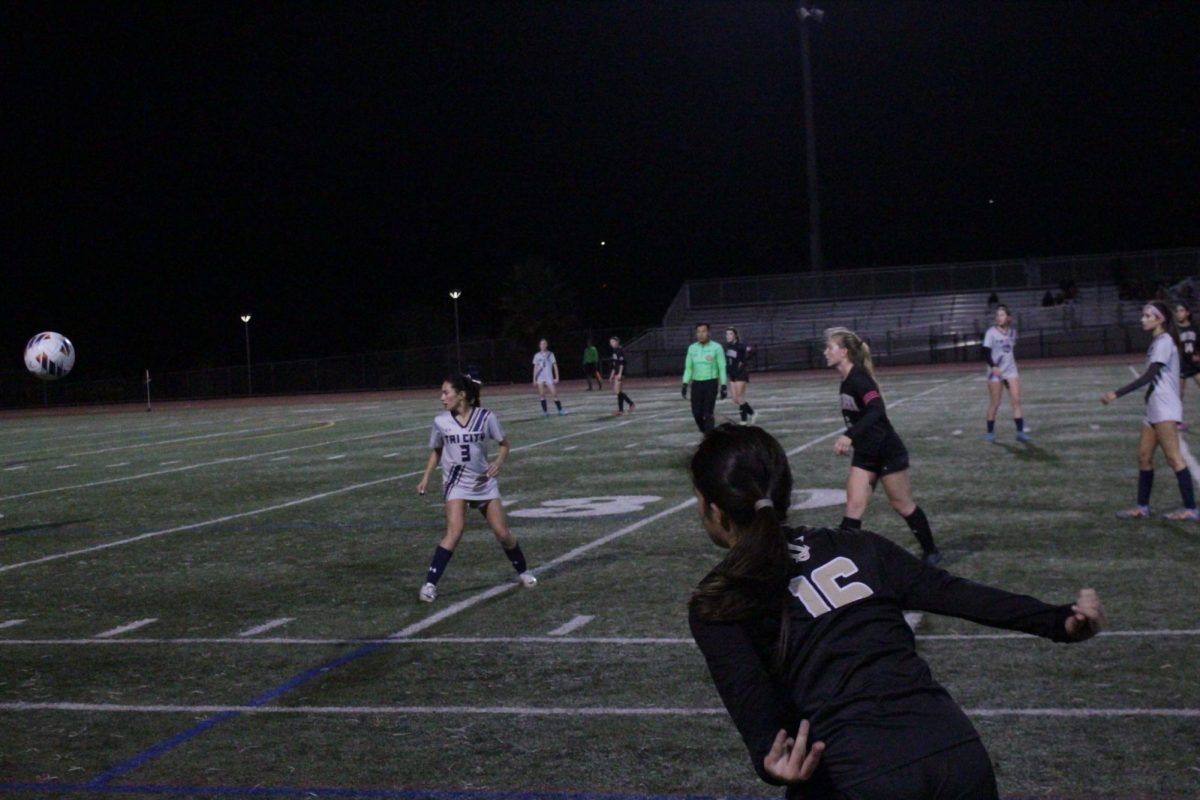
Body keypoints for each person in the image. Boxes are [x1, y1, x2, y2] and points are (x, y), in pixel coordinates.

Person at [688, 424, 1107, 800]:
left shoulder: (718, 597)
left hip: (856, 773)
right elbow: (955, 592)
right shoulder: (860, 547)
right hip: (954, 752)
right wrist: (1057, 621)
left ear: (714, 509)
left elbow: (750, 701)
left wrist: (769, 758)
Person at [415, 373, 538, 602]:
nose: (442, 397)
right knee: (455, 532)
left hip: (483, 482)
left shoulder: (486, 417)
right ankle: (429, 584)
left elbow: (504, 445)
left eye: (446, 393)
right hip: (455, 484)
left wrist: (498, 462)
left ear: (461, 395)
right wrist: (426, 478)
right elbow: (437, 451)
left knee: (502, 533)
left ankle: (523, 571)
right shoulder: (440, 421)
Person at [824, 327, 942, 565]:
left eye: (830, 348)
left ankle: (931, 551)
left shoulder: (859, 378)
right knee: (854, 506)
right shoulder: (846, 380)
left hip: (887, 451)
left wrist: (849, 435)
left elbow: (877, 409)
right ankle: (843, 558)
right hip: (866, 454)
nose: (825, 352)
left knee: (902, 504)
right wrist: (855, 438)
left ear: (844, 352)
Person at [1101, 301, 1198, 521]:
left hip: (1164, 407)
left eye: (1147, 316)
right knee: (1144, 456)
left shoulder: (1164, 342)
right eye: (1143, 315)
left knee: (1174, 459)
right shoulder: (1158, 342)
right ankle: (1142, 507)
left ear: (1160, 319)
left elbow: (1149, 376)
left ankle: (1191, 509)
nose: (1142, 319)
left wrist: (1116, 394)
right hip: (1154, 407)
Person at [982, 304, 1029, 442]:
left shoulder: (1013, 333)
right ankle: (990, 432)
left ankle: (1020, 433)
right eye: (997, 315)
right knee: (995, 403)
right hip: (995, 373)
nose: (999, 317)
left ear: (1008, 317)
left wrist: (1012, 363)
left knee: (1016, 401)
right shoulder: (990, 332)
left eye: (1002, 315)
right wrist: (993, 366)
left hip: (1011, 372)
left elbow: (1008, 351)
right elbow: (985, 353)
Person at [682, 322, 728, 433]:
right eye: (698, 332)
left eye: (703, 331)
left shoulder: (717, 347)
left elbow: (722, 367)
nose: (701, 334)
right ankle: (706, 433)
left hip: (711, 383)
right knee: (696, 413)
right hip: (696, 384)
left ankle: (709, 437)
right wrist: (684, 384)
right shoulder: (692, 348)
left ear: (709, 333)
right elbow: (688, 368)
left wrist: (723, 385)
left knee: (708, 413)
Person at [1173, 303, 1200, 417]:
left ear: (1187, 313)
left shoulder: (1195, 327)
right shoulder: (1174, 329)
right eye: (1177, 311)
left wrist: (1198, 354)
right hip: (1180, 364)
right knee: (1180, 393)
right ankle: (1177, 419)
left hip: (1194, 364)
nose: (1179, 313)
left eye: (1182, 310)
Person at [725, 327, 756, 424]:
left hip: (741, 373)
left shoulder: (741, 345)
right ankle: (753, 413)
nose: (728, 336)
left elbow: (752, 351)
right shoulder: (728, 346)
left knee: (740, 397)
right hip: (732, 373)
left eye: (730, 334)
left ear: (735, 335)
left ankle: (743, 421)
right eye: (727, 334)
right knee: (735, 399)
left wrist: (744, 362)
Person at [532, 338, 567, 416]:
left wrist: (557, 377)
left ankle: (560, 410)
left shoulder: (550, 354)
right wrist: (534, 379)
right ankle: (545, 412)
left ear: (547, 345)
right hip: (540, 377)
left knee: (554, 393)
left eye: (544, 344)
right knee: (542, 395)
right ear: (539, 346)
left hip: (549, 376)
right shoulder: (537, 355)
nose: (543, 345)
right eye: (541, 344)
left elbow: (555, 365)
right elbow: (535, 368)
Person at [608, 336, 635, 415]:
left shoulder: (619, 350)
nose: (611, 344)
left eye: (613, 342)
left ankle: (630, 404)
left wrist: (620, 373)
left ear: (617, 342)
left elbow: (622, 363)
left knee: (618, 391)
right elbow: (614, 365)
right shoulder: (614, 351)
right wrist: (611, 375)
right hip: (617, 373)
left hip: (620, 373)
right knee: (618, 392)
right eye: (610, 342)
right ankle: (622, 410)